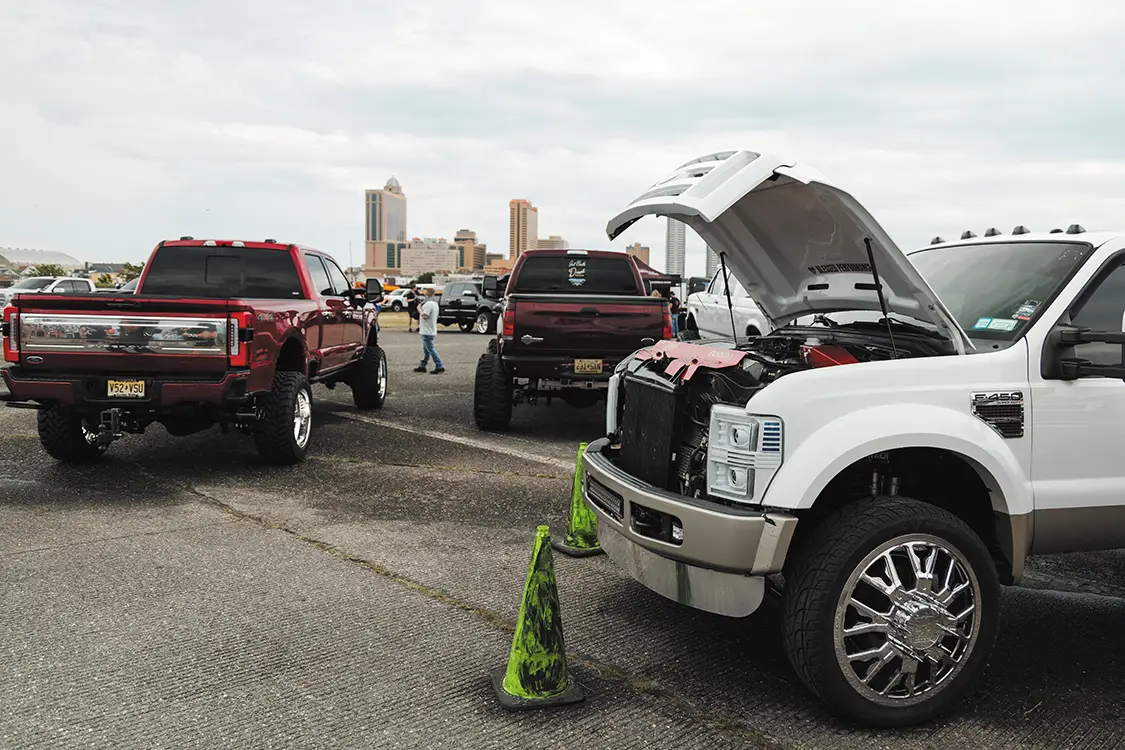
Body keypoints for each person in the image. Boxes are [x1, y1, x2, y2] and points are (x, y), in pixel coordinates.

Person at [413, 288, 445, 374]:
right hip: (431, 329)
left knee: (430, 349)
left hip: (427, 331)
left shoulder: (428, 304)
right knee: (426, 350)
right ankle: (422, 365)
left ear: (427, 294)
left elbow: (424, 315)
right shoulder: (435, 304)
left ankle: (439, 365)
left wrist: (419, 308)